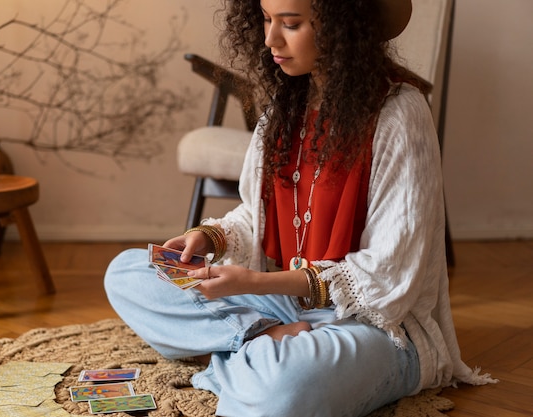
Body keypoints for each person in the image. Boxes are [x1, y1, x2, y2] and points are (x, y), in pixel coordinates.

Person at [104, 0, 496, 416]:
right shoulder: (285, 107)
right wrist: (211, 237)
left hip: (375, 327)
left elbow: (388, 279)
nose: (270, 38)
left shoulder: (400, 112)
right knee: (126, 272)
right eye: (267, 20)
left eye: (290, 24)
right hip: (282, 307)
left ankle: (239, 357)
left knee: (284, 385)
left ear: (341, 28)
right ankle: (260, 341)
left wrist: (254, 284)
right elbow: (257, 216)